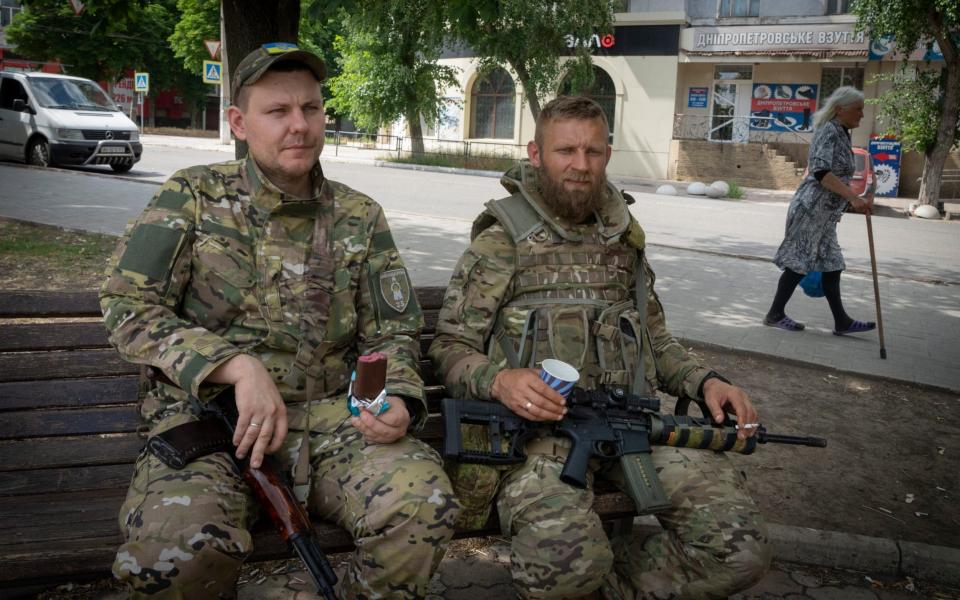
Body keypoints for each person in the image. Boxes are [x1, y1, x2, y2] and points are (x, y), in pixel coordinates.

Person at [100, 43, 458, 599]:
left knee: (423, 504)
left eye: (311, 109)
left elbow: (392, 333)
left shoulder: (359, 216)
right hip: (212, 429)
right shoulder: (193, 197)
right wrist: (234, 366)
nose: (300, 126)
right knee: (175, 556)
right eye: (278, 112)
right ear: (239, 123)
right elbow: (128, 306)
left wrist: (399, 400)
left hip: (331, 425)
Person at [428, 95, 771, 599]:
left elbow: (655, 340)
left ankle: (605, 587)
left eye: (592, 152)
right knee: (566, 570)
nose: (580, 165)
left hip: (632, 431)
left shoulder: (622, 239)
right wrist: (500, 380)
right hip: (537, 443)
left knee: (740, 550)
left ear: (607, 155)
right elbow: (451, 347)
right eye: (565, 150)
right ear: (536, 152)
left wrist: (707, 381)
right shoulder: (502, 241)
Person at [764, 86, 876, 335]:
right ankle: (774, 314)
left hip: (825, 215)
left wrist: (863, 196)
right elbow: (821, 172)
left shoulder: (842, 133)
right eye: (858, 110)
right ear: (840, 110)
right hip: (810, 210)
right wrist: (853, 198)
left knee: (833, 264)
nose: (861, 115)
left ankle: (841, 321)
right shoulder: (829, 131)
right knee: (798, 262)